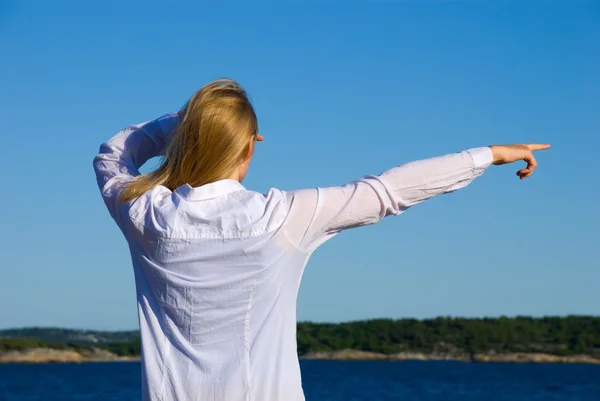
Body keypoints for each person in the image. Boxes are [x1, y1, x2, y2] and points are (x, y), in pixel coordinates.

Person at [93, 78, 550, 401]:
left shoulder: (144, 215)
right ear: (250, 146)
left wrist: (178, 126)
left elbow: (114, 154)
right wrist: (487, 155)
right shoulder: (283, 217)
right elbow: (388, 191)